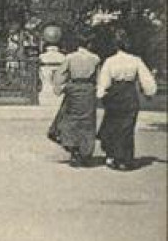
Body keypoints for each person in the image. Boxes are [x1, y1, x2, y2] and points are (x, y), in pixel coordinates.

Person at [97, 31, 157, 170]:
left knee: (113, 125)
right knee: (127, 128)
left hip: (115, 94)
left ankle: (113, 156)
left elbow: (104, 82)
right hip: (129, 94)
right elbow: (146, 79)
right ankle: (125, 159)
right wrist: (149, 92)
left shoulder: (110, 61)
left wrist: (101, 94)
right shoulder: (136, 60)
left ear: (115, 45)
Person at [48, 39, 101, 166]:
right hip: (88, 89)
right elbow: (99, 77)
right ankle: (85, 151)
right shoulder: (95, 58)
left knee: (72, 119)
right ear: (89, 44)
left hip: (74, 88)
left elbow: (60, 74)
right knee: (87, 121)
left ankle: (74, 150)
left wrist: (59, 88)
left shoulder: (70, 57)